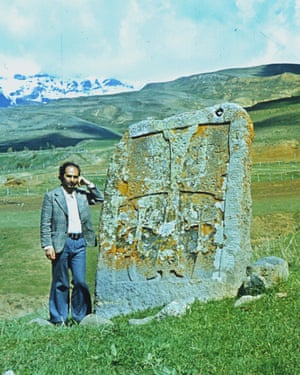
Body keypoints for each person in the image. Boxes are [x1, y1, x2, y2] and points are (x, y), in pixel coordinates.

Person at [40, 161, 104, 325]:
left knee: (80, 281)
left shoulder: (82, 195)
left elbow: (100, 198)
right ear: (61, 177)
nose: (72, 180)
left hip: (80, 242)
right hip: (61, 243)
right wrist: (48, 245)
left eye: (75, 177)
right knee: (60, 282)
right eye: (69, 176)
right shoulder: (52, 196)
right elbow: (45, 223)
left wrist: (88, 183)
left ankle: (81, 317)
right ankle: (58, 318)